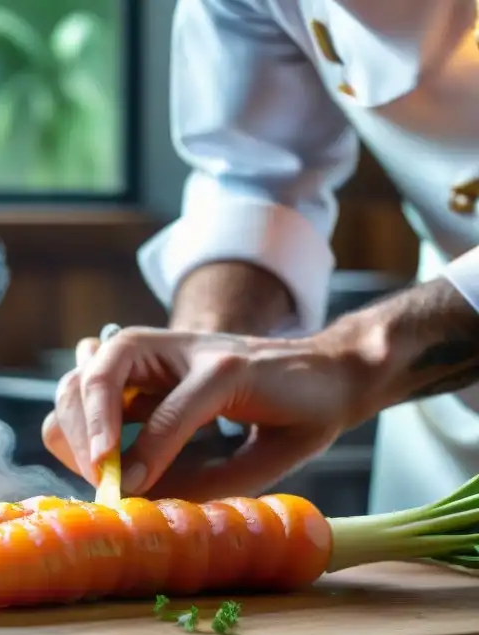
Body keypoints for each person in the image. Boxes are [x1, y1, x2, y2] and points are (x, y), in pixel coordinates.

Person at [42, 0, 479, 514]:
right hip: (444, 417)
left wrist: (357, 357)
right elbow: (255, 175)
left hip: (418, 354)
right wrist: (209, 357)